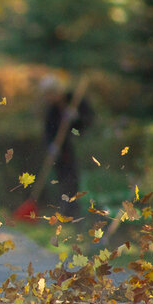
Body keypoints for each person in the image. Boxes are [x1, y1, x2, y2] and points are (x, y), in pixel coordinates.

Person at [39, 75, 94, 218]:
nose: (48, 98)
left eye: (50, 94)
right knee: (64, 180)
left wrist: (77, 118)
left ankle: (77, 213)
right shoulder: (52, 109)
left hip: (80, 146)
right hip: (63, 151)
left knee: (76, 180)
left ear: (57, 91)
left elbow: (89, 121)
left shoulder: (75, 100)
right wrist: (51, 145)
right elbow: (49, 130)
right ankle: (66, 212)